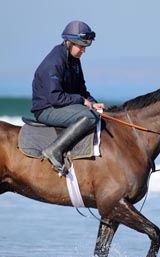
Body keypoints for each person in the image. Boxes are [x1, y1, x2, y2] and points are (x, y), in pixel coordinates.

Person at [31, 20, 105, 175]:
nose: (84, 51)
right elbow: (55, 98)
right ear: (69, 42)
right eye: (81, 46)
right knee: (89, 118)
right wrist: (82, 101)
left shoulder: (74, 61)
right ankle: (54, 150)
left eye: (85, 47)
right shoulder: (54, 62)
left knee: (99, 114)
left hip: (60, 105)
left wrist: (93, 103)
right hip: (47, 109)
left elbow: (81, 90)